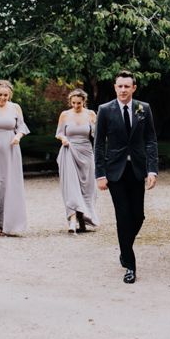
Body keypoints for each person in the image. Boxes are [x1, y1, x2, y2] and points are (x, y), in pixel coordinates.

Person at [94, 70, 158, 283]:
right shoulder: (105, 110)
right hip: (115, 172)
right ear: (115, 88)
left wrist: (152, 169)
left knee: (138, 216)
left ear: (133, 88)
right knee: (123, 216)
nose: (123, 90)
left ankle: (124, 249)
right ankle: (130, 266)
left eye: (127, 86)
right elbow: (98, 145)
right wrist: (100, 174)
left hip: (137, 170)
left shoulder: (143, 109)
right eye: (119, 86)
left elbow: (151, 140)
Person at [0, 80, 29, 236]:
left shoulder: (15, 108)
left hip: (10, 151)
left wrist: (18, 136)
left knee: (7, 187)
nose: (2, 98)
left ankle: (3, 223)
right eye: (0, 95)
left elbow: (21, 127)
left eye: (6, 95)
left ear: (10, 95)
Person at [55, 88, 99, 234]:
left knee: (87, 187)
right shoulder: (65, 115)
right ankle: (72, 219)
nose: (75, 106)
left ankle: (83, 220)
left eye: (78, 103)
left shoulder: (91, 114)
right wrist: (64, 139)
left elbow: (96, 135)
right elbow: (59, 133)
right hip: (69, 151)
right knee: (71, 186)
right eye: (73, 103)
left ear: (83, 102)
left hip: (86, 152)